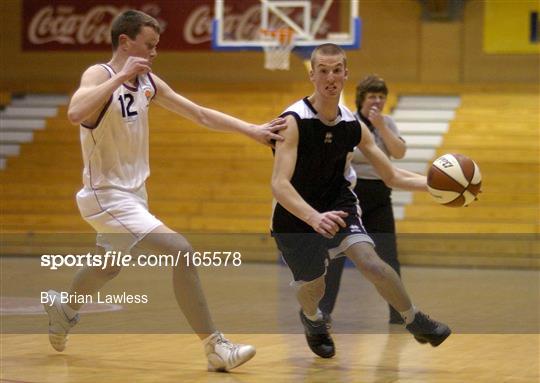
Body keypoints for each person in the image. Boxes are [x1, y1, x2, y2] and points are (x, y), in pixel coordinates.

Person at [43, 10, 286, 372]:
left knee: (108, 268)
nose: (155, 53)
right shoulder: (101, 74)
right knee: (181, 251)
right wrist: (122, 75)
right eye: (149, 45)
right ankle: (215, 347)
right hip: (105, 195)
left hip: (134, 194)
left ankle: (64, 308)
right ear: (125, 41)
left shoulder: (148, 83)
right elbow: (75, 112)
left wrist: (251, 130)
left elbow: (199, 114)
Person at [271, 43, 450, 359]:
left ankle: (413, 318)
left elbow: (391, 175)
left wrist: (439, 188)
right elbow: (280, 185)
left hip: (338, 203)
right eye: (323, 71)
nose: (330, 77)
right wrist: (313, 218)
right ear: (312, 75)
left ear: (345, 74)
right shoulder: (293, 121)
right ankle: (312, 319)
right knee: (313, 289)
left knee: (371, 262)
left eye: (336, 70)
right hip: (296, 213)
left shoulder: (352, 125)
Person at [319, 75, 406, 324]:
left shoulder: (387, 123)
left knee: (389, 256)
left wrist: (381, 128)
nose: (377, 101)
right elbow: (350, 156)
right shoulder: (349, 122)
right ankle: (324, 310)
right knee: (336, 255)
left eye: (381, 97)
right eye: (372, 97)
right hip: (351, 196)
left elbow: (398, 152)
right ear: (361, 100)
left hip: (380, 196)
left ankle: (399, 312)